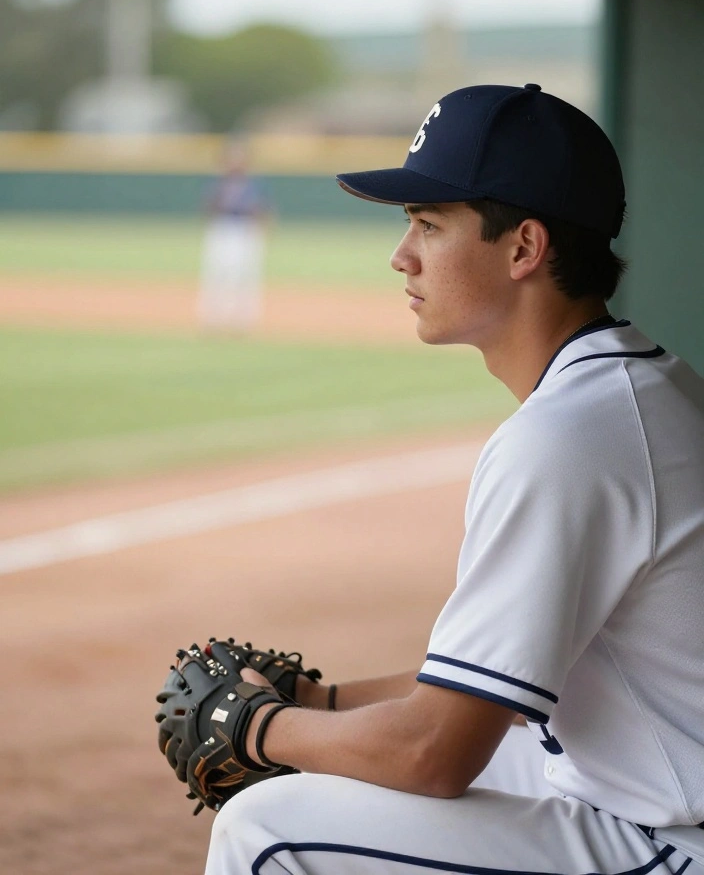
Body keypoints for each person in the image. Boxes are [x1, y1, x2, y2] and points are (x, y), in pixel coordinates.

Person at [204, 84, 704, 875]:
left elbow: (436, 751)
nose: (401, 255)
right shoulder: (640, 390)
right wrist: (315, 707)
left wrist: (255, 726)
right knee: (334, 759)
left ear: (523, 248)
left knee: (266, 827)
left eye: (429, 225)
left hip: (673, 843)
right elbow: (487, 691)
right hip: (658, 783)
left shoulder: (566, 439)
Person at [198, 142, 272, 334]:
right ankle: (213, 318)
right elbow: (209, 206)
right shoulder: (220, 183)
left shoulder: (254, 184)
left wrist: (260, 227)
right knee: (217, 274)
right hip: (222, 226)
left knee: (246, 276)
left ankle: (243, 320)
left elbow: (263, 209)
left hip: (245, 228)